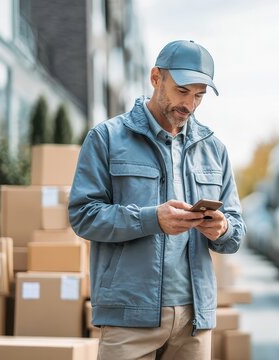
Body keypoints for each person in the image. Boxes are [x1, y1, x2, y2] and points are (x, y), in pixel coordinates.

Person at [68, 40, 245, 360]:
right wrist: (152, 219)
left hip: (194, 321)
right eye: (182, 91)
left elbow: (236, 231)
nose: (190, 104)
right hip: (129, 319)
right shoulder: (107, 138)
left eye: (199, 96)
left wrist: (223, 229)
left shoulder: (214, 149)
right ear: (155, 78)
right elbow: (83, 215)